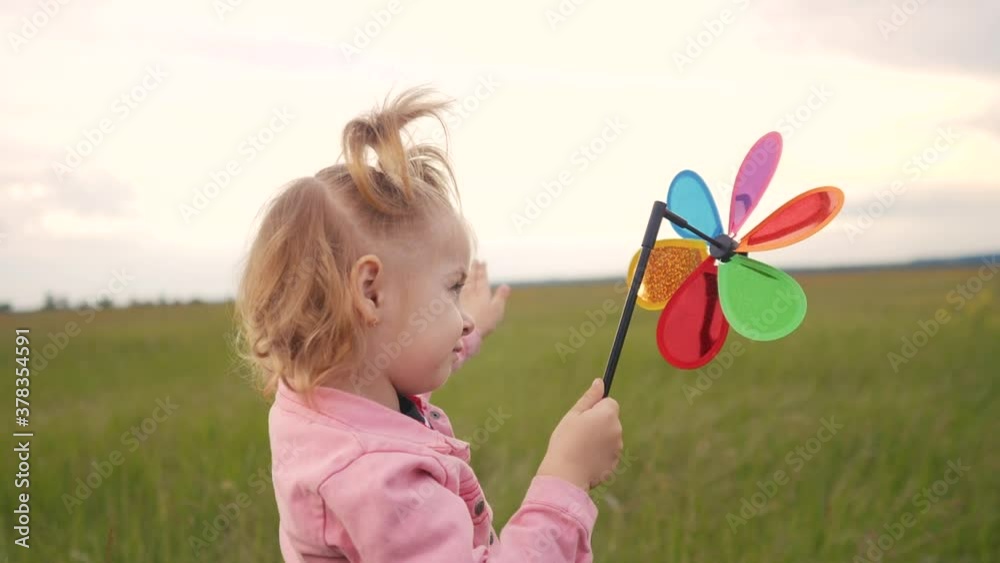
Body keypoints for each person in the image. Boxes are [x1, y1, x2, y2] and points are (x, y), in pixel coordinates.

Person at [235, 88, 623, 562]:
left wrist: (471, 326)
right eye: (451, 287)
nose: (460, 318)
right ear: (371, 292)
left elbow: (400, 369)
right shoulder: (380, 477)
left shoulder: (321, 401)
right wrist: (567, 477)